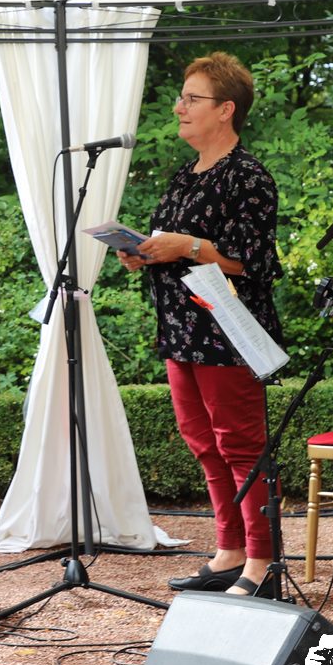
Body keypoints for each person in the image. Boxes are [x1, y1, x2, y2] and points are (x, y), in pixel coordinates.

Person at [115, 52, 285, 597]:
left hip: (226, 332)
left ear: (225, 109)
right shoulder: (184, 176)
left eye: (192, 98)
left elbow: (253, 262)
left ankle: (262, 564)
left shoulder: (248, 176)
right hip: (181, 329)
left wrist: (186, 246)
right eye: (181, 97)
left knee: (241, 445)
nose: (179, 107)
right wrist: (143, 253)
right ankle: (230, 551)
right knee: (203, 443)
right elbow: (177, 247)